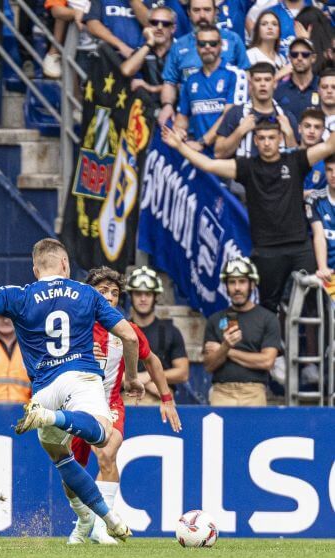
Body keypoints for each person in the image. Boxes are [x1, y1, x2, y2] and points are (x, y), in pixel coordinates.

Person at [0, 238, 142, 544]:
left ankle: (105, 518)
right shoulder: (87, 293)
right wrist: (132, 377)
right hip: (80, 378)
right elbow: (130, 337)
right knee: (103, 434)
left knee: (62, 457)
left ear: (35, 269)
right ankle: (53, 419)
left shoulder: (21, 295)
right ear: (65, 264)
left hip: (43, 389)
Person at [161, 119, 335, 313]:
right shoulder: (247, 167)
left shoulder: (296, 160)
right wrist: (179, 146)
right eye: (262, 138)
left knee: (315, 304)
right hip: (266, 250)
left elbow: (329, 146)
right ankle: (274, 334)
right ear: (255, 141)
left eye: (271, 138)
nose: (267, 143)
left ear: (280, 139)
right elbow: (208, 164)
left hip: (300, 247)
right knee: (268, 308)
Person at [67, 267, 180, 545]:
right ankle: (84, 521)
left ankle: (101, 527)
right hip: (76, 405)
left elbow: (152, 360)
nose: (109, 297)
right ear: (90, 294)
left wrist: (166, 398)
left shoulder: (127, 331)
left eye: (114, 293)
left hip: (110, 403)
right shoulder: (73, 327)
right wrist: (78, 355)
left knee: (107, 455)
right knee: (71, 477)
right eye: (102, 291)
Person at [159, 0, 250, 127]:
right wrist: (167, 105)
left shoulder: (233, 40)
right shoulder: (179, 46)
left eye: (207, 10)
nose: (202, 15)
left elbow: (246, 76)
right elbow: (169, 82)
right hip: (191, 123)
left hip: (229, 123)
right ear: (188, 13)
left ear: (216, 12)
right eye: (196, 10)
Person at [203, 257, 281, 406]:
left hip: (254, 392)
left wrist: (225, 350)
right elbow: (209, 366)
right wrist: (226, 346)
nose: (237, 288)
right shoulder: (215, 319)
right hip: (221, 392)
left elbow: (267, 361)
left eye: (242, 281)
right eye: (232, 282)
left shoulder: (268, 319)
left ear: (252, 284)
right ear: (226, 286)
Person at [173, 26, 248, 152]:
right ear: (196, 47)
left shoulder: (235, 75)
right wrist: (179, 131)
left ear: (221, 45)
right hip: (198, 153)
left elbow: (230, 115)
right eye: (202, 44)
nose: (207, 47)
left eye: (213, 43)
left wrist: (203, 142)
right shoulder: (191, 80)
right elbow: (182, 116)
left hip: (227, 154)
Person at [126, 266, 190, 405]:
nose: (143, 299)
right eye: (138, 294)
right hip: (127, 398)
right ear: (131, 296)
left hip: (160, 397)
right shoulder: (121, 330)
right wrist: (137, 380)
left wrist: (149, 376)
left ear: (155, 297)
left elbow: (183, 373)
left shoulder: (170, 331)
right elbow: (108, 371)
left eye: (148, 294)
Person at [215, 62, 298, 158]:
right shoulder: (236, 113)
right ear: (250, 85)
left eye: (267, 80)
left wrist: (289, 134)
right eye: (258, 80)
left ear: (275, 84)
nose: (262, 84)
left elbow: (297, 161)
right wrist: (240, 131)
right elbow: (218, 153)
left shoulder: (286, 116)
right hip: (244, 167)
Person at [120, 7, 176, 98]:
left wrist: (151, 88)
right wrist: (149, 43)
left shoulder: (181, 49)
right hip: (149, 105)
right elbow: (126, 71)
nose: (159, 27)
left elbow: (185, 85)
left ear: (173, 28)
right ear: (148, 26)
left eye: (165, 24)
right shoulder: (144, 49)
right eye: (154, 23)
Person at [85, 0, 152, 60]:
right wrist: (121, 46)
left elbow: (151, 25)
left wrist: (133, 1)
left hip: (144, 56)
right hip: (109, 55)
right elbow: (92, 25)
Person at [274, 38, 320, 121]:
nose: (299, 58)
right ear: (289, 58)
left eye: (305, 54)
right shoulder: (279, 90)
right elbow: (271, 119)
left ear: (313, 58)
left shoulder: (324, 86)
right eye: (294, 54)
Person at [308, 154, 335, 282]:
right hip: (328, 273)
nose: (333, 175)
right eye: (329, 170)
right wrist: (323, 267)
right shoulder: (315, 199)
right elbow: (319, 235)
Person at [246, 10, 289, 78]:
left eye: (274, 24)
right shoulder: (249, 55)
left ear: (279, 31)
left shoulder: (282, 59)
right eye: (264, 24)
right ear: (258, 30)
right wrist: (279, 74)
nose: (270, 27)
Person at [300, 108, 327, 202]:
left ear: (323, 131)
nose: (312, 131)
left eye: (317, 127)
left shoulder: (329, 162)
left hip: (318, 209)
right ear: (299, 128)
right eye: (307, 126)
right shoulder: (285, 157)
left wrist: (314, 194)